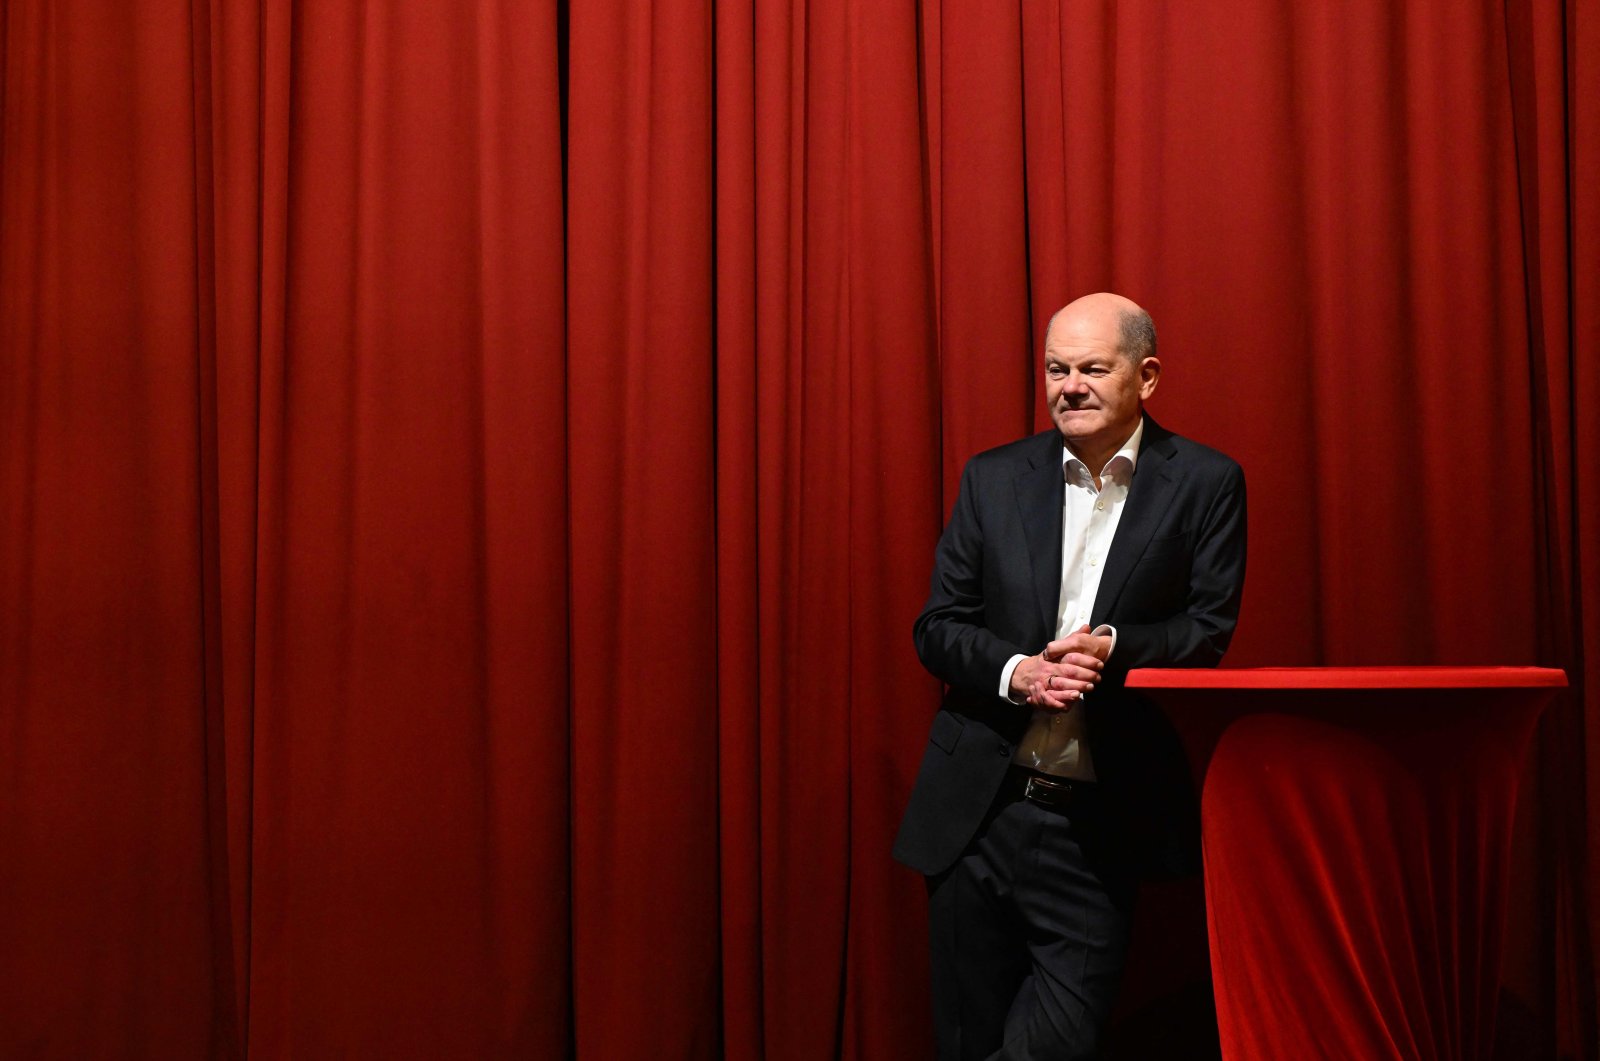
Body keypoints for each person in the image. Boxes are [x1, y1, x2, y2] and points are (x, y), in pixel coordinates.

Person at [893, 292, 1248, 1060]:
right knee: (966, 1042)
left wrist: (1114, 647)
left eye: (1092, 367)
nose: (1070, 386)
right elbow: (937, 626)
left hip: (1099, 824)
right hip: (977, 817)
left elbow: (1206, 632)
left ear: (1146, 377)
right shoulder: (992, 478)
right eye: (1057, 369)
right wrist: (1018, 672)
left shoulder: (1206, 482)